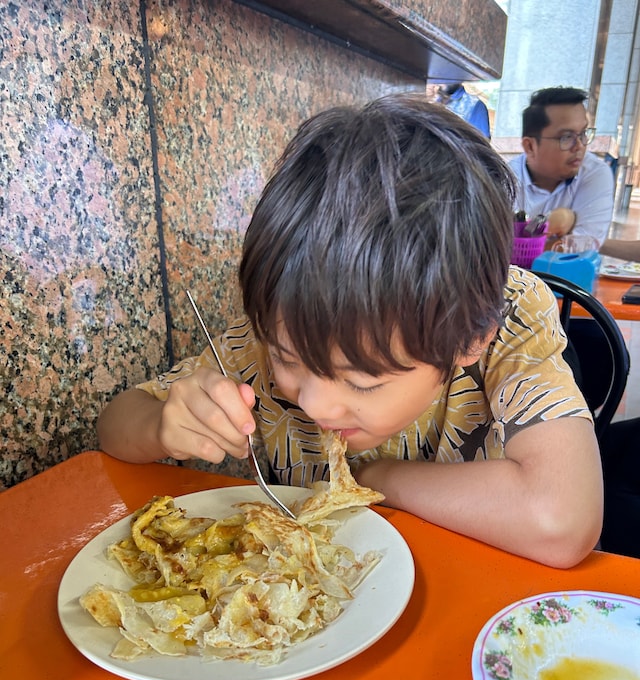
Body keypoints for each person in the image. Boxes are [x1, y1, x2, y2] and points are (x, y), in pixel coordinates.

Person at [98, 93, 603, 568]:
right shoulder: (281, 325)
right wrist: (164, 425)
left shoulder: (508, 314)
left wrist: (377, 478)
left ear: (472, 338)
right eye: (287, 359)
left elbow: (562, 520)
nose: (315, 404)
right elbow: (114, 426)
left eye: (361, 381)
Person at [509, 87, 614, 249]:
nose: (579, 146)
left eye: (583, 133)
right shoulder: (505, 179)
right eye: (566, 137)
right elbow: (492, 248)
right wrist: (563, 225)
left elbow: (583, 249)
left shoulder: (594, 173)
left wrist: (521, 242)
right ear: (530, 146)